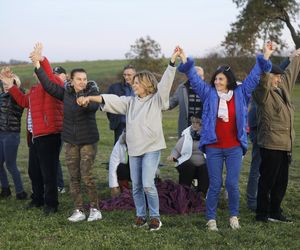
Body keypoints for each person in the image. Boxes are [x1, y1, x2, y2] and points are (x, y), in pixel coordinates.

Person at [77, 47, 180, 231]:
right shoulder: (130, 102)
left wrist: (172, 62)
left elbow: (165, 84)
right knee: (137, 186)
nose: (133, 85)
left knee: (148, 184)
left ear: (147, 84)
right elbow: (110, 100)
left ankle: (155, 218)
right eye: (133, 82)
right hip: (134, 149)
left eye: (137, 82)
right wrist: (89, 98)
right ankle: (141, 216)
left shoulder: (156, 100)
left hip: (151, 148)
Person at [177, 43, 273, 231]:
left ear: (228, 80)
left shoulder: (241, 93)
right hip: (213, 147)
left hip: (234, 147)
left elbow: (254, 77)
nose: (217, 82)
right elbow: (195, 79)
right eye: (215, 79)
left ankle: (233, 216)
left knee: (231, 183)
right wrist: (184, 59)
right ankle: (211, 219)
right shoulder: (208, 94)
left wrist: (266, 56)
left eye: (220, 79)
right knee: (215, 184)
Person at [31, 43, 102, 223]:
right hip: (70, 141)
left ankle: (95, 209)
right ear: (71, 81)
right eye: (79, 79)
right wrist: (38, 65)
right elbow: (47, 84)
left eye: (84, 79)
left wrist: (86, 102)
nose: (82, 82)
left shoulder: (91, 91)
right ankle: (79, 209)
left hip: (87, 141)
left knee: (86, 176)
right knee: (73, 177)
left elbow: (94, 106)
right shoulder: (66, 94)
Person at [0, 51, 64, 216]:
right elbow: (22, 101)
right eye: (36, 73)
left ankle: (51, 204)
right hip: (35, 138)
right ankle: (37, 199)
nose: (37, 75)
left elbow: (48, 76)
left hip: (50, 135)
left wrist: (42, 60)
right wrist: (11, 86)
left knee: (48, 173)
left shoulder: (54, 84)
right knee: (34, 171)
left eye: (39, 71)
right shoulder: (35, 91)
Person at [254, 48, 300, 223]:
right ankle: (262, 214)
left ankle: (275, 211)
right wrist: (266, 62)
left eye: (279, 76)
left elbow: (290, 72)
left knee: (281, 182)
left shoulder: (282, 88)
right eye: (275, 76)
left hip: (285, 144)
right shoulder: (262, 93)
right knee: (267, 181)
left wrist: (296, 57)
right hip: (271, 144)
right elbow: (263, 81)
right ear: (268, 76)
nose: (279, 78)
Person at [246, 58, 290, 211]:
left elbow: (278, 69)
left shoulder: (272, 82)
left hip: (268, 131)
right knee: (258, 168)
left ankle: (267, 202)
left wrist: (291, 58)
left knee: (270, 171)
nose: (278, 78)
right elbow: (269, 74)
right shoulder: (260, 86)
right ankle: (253, 201)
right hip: (260, 130)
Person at [0, 73, 27, 200]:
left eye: (8, 83)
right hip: (1, 134)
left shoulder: (18, 95)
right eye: (4, 84)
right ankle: (5, 190)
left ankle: (20, 192)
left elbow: (18, 101)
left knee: (11, 164)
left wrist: (12, 87)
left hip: (11, 134)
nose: (5, 86)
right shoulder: (2, 96)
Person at [167, 114, 208, 195]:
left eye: (197, 123)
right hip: (187, 164)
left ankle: (201, 195)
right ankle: (184, 193)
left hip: (203, 165)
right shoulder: (186, 134)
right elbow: (176, 150)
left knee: (206, 168)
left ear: (202, 124)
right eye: (193, 122)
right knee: (188, 166)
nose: (194, 125)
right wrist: (173, 156)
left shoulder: (208, 135)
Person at [169, 66, 205, 137]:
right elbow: (171, 103)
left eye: (200, 76)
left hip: (203, 128)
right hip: (186, 128)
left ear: (203, 77)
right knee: (185, 147)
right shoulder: (182, 88)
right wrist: (158, 104)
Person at [106, 65, 136, 144]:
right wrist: (115, 119)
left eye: (129, 75)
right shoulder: (114, 88)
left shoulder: (141, 87)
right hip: (120, 125)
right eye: (124, 75)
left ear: (135, 75)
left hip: (136, 125)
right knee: (119, 150)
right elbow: (109, 105)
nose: (126, 77)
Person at [53, 65, 67, 194]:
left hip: (64, 127)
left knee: (54, 156)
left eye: (59, 74)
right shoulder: (53, 88)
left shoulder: (67, 88)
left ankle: (60, 185)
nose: (56, 77)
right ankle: (56, 183)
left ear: (65, 75)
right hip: (54, 126)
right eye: (54, 75)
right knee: (53, 156)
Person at [109, 130, 131, 197]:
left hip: (139, 169)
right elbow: (113, 165)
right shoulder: (119, 143)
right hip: (127, 169)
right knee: (120, 167)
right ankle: (124, 190)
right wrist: (114, 186)